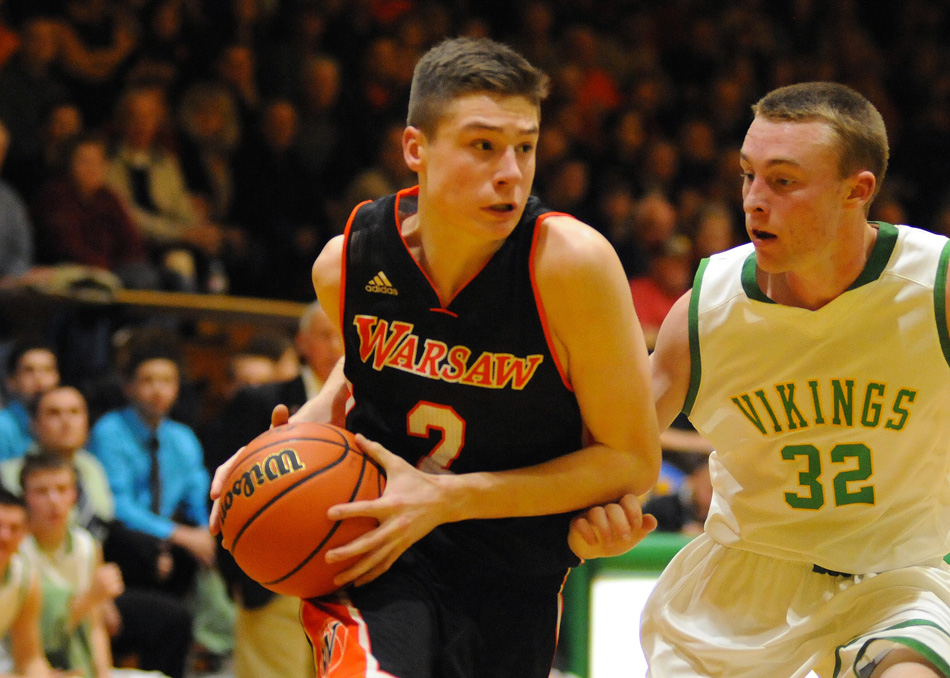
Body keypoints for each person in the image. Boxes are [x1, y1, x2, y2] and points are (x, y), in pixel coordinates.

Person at [210, 36, 661, 678]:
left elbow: (631, 460)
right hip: (374, 547)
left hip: (515, 572)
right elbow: (361, 371)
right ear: (415, 149)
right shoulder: (348, 266)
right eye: (483, 146)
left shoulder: (570, 267)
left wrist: (449, 497)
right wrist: (289, 438)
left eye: (525, 147)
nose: (510, 170)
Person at [576, 81, 950, 677]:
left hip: (896, 581)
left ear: (858, 191)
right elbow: (615, 456)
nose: (753, 199)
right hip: (741, 587)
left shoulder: (935, 287)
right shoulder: (707, 310)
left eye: (782, 181)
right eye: (747, 175)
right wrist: (603, 515)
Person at [86, 327, 232, 670]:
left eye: (167, 380)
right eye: (148, 380)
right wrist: (176, 537)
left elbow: (199, 501)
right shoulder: (110, 430)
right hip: (121, 544)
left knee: (214, 546)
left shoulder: (182, 438)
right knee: (143, 543)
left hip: (168, 547)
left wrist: (207, 535)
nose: (158, 389)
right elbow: (116, 505)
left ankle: (214, 648)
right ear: (129, 387)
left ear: (177, 388)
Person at [17, 453, 123, 678]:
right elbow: (34, 640)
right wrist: (89, 599)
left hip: (77, 665)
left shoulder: (88, 546)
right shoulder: (16, 551)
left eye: (62, 489)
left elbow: (95, 628)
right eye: (41, 492)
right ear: (25, 498)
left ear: (74, 495)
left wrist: (103, 674)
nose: (54, 500)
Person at [0, 487, 52, 678]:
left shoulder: (24, 579)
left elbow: (29, 657)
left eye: (13, 528)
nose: (4, 536)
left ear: (25, 533)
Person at [0, 341, 59, 462]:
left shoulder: (63, 420)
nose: (39, 378)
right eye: (29, 371)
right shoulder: (3, 426)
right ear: (11, 381)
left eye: (47, 370)